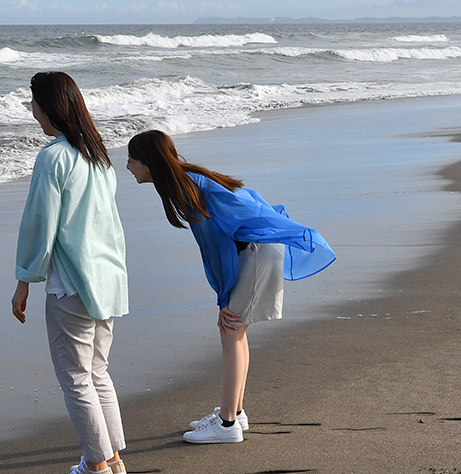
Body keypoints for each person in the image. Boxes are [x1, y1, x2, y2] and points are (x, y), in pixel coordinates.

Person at [124, 129, 334, 444]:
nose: (128, 167)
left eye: (131, 159)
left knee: (231, 331)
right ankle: (234, 411)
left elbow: (217, 246)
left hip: (255, 253)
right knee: (236, 332)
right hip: (257, 250)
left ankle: (226, 425)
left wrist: (224, 296)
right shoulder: (188, 179)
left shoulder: (187, 189)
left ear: (149, 162)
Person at [13, 71, 131, 474]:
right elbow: (109, 225)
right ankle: (112, 458)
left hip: (72, 284)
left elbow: (40, 223)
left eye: (34, 102)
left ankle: (97, 467)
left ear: (49, 107)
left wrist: (25, 278)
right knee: (98, 372)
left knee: (77, 378)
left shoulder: (54, 157)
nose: (32, 110)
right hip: (107, 279)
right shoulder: (98, 157)